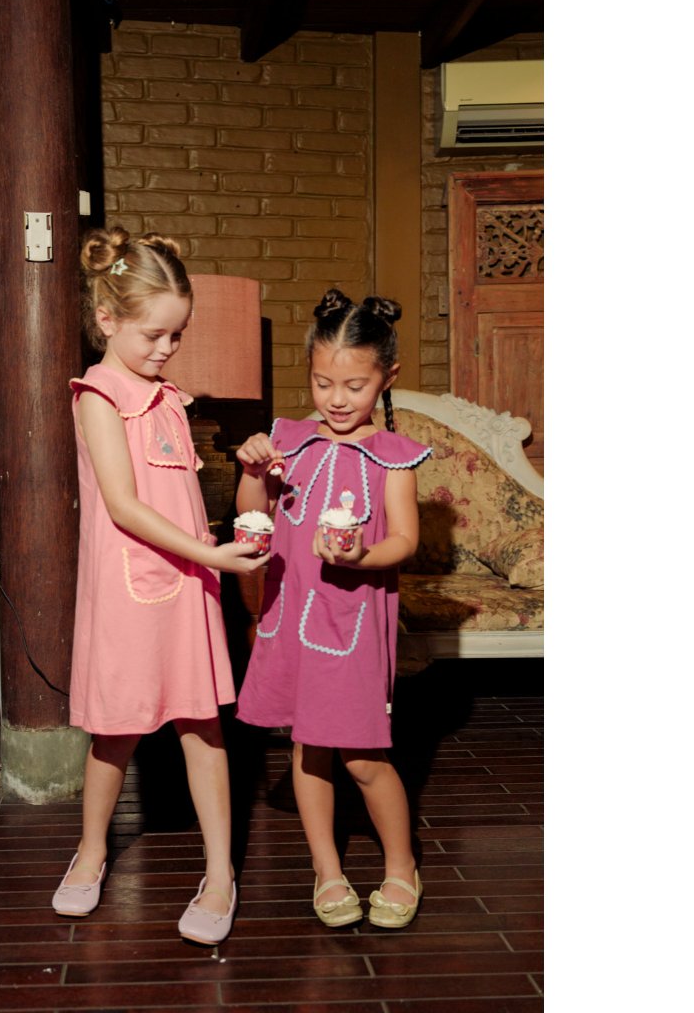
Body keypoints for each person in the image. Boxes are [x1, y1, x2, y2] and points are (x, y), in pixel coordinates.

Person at [52, 226, 269, 945]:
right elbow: (123, 505)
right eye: (154, 335)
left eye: (177, 334)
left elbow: (179, 499)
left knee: (203, 724)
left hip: (188, 585)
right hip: (129, 589)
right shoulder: (98, 395)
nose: (167, 348)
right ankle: (91, 851)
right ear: (107, 318)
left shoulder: (171, 398)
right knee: (115, 729)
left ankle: (219, 873)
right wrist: (211, 556)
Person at [234, 288, 432, 930]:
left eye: (354, 385)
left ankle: (401, 865)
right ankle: (327, 869)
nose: (337, 399)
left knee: (363, 756)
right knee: (306, 747)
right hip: (290, 617)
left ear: (387, 378)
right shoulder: (287, 440)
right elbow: (253, 513)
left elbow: (406, 540)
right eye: (323, 383)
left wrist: (362, 555)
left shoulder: (393, 457)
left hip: (352, 624)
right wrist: (252, 471)